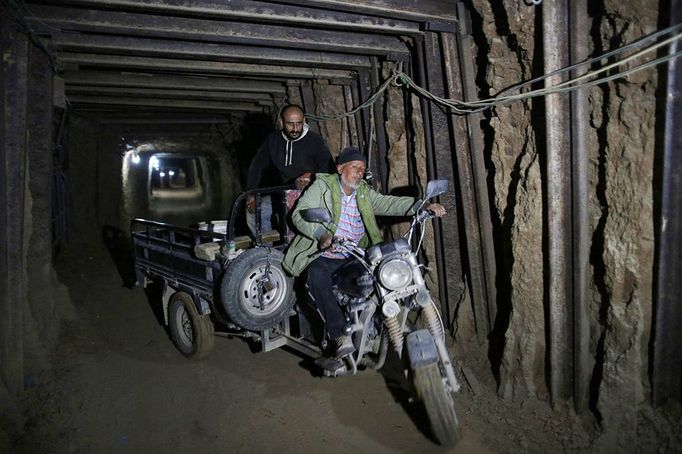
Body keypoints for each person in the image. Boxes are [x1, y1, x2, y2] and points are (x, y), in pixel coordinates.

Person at [283, 146, 447, 358]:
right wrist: (322, 234)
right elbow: (299, 214)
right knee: (315, 276)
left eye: (362, 169)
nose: (359, 172)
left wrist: (422, 206)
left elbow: (388, 203)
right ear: (341, 168)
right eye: (355, 167)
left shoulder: (363, 192)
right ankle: (339, 335)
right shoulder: (322, 186)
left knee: (387, 273)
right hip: (326, 254)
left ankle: (383, 325)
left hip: (356, 254)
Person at [245, 104, 334, 235]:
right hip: (283, 194)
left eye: (298, 124)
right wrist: (251, 194)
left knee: (294, 222)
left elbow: (329, 168)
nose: (295, 129)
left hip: (311, 195)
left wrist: (312, 175)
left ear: (304, 121)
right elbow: (257, 166)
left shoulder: (315, 141)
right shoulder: (273, 140)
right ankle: (267, 251)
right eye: (290, 124)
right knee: (255, 211)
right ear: (281, 122)